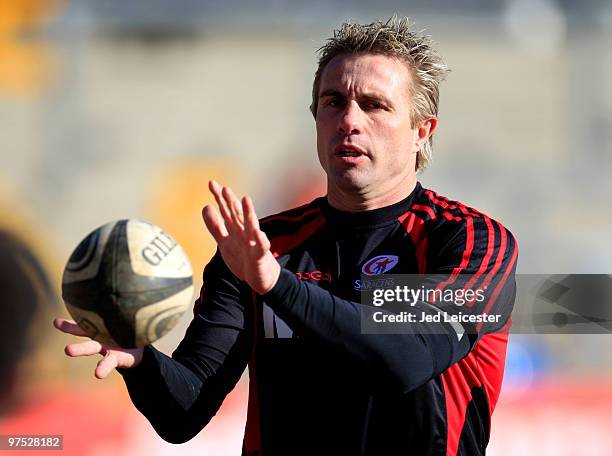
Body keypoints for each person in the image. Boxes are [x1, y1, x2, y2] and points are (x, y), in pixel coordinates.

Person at [55, 17, 518, 456]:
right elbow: (185, 412)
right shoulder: (263, 246)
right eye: (333, 102)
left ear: (422, 131)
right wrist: (142, 362)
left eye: (374, 105)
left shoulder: (470, 243)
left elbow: (407, 359)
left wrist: (277, 285)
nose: (349, 120)